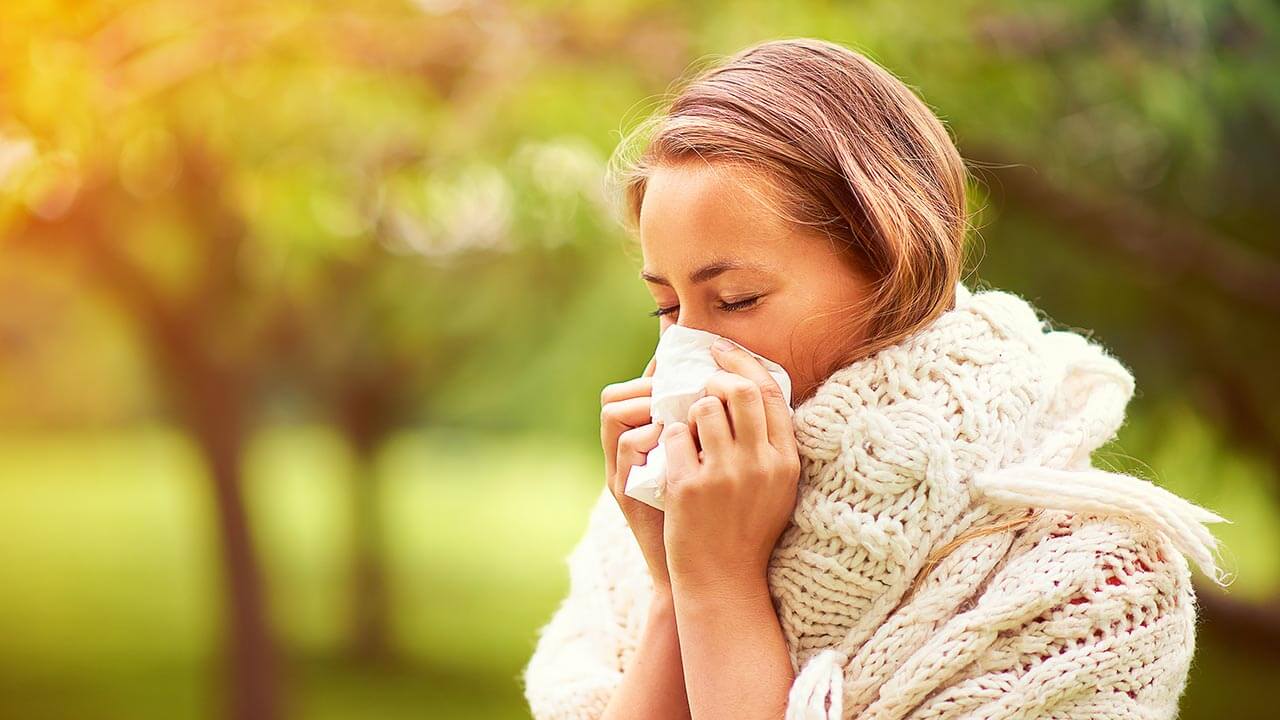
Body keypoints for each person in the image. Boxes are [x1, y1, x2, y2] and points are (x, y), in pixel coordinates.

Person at [522, 37, 1227, 720]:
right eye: (668, 306)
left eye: (735, 299)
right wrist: (674, 592)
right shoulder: (652, 524)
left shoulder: (1089, 579)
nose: (687, 350)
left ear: (892, 268)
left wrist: (724, 586)